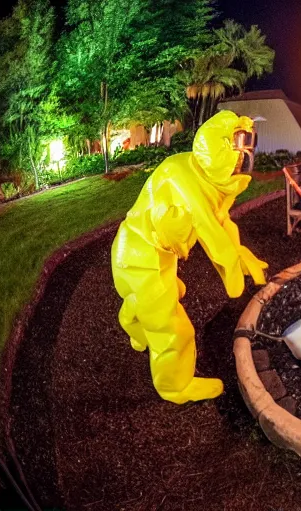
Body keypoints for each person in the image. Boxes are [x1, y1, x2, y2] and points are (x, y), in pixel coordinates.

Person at [111, 109, 267, 403]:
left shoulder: (196, 172)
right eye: (237, 152)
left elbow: (221, 220)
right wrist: (233, 267)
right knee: (175, 331)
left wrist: (241, 252)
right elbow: (211, 231)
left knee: (154, 299)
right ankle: (174, 386)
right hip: (141, 260)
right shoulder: (186, 179)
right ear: (220, 152)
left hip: (140, 253)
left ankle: (133, 319)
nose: (242, 161)